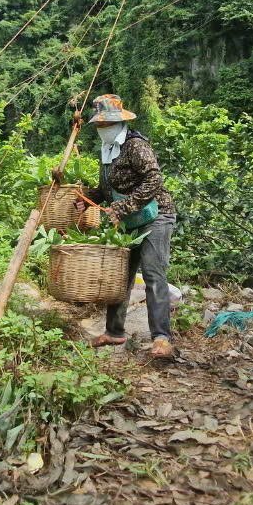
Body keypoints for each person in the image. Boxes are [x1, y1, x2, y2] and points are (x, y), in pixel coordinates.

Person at [75, 94, 178, 358]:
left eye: (106, 124)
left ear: (118, 123)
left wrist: (123, 206)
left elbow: (154, 179)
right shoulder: (107, 150)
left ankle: (162, 338)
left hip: (156, 216)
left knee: (154, 274)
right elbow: (106, 189)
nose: (102, 129)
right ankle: (114, 332)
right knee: (120, 276)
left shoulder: (135, 146)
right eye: (99, 125)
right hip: (130, 221)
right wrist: (87, 200)